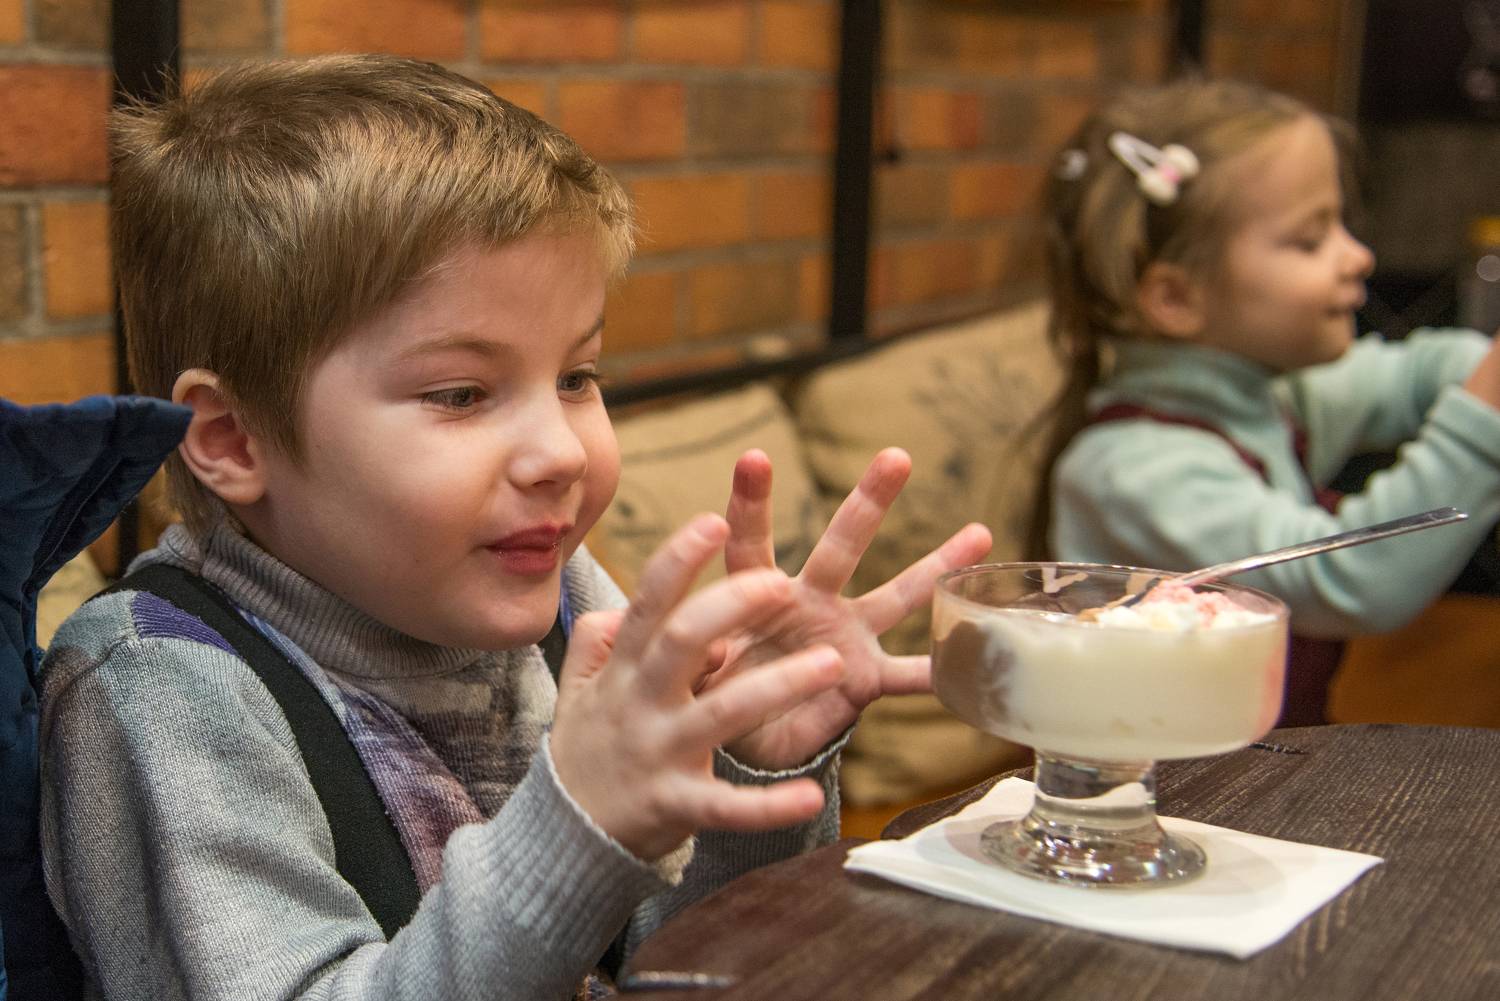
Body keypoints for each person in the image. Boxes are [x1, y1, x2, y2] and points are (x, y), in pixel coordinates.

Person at [37, 54, 992, 1001]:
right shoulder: (162, 683)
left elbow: (677, 965)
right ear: (233, 438)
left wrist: (750, 772)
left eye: (577, 376)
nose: (562, 452)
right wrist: (573, 833)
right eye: (461, 392)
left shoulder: (560, 594)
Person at [1031, 77, 1500, 726]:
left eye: (1343, 226)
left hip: (1264, 762)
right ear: (1176, 297)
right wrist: (1484, 414)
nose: (1358, 257)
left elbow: (1417, 374)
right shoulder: (1132, 470)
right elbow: (1349, 579)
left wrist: (1479, 369)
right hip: (1153, 778)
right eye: (1310, 240)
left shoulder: (1275, 395)